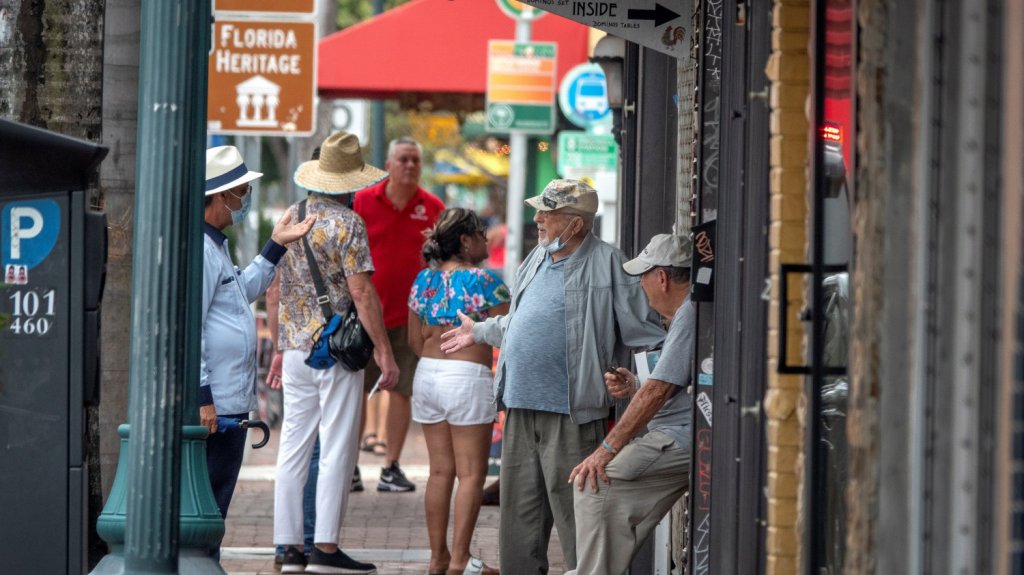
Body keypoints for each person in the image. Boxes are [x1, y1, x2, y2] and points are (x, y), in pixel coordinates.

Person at [440, 179, 665, 573]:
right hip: (520, 406)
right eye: (539, 210)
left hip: (574, 414)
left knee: (581, 520)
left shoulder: (609, 262)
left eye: (548, 213)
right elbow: (520, 323)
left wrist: (637, 383)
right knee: (519, 523)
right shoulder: (538, 257)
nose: (538, 219)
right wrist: (478, 330)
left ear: (576, 224)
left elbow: (649, 334)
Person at [272, 132, 399, 575]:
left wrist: (278, 342)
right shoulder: (349, 224)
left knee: (293, 446)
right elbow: (362, 293)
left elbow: (274, 287)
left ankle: (288, 548)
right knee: (337, 448)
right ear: (348, 182)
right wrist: (384, 352)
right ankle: (325, 546)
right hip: (338, 350)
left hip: (295, 348)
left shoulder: (289, 215)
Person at [200, 145, 315, 558]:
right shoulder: (201, 250)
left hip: (227, 399)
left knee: (216, 501)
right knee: (208, 503)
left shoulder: (217, 246)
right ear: (218, 196)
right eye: (240, 192)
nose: (244, 200)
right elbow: (191, 327)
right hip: (216, 402)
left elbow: (241, 291)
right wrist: (203, 399)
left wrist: (274, 246)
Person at [565, 234, 694, 575]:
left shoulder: (691, 313)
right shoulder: (689, 312)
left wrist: (607, 448)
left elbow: (657, 392)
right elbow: (667, 383)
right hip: (681, 432)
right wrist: (634, 384)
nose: (640, 285)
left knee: (593, 481)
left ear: (662, 278)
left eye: (643, 277)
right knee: (610, 496)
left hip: (682, 436)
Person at [408, 209, 510, 575]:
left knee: (439, 473)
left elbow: (414, 340)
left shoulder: (423, 280)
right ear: (466, 241)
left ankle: (438, 559)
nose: (487, 240)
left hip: (428, 375)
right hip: (467, 376)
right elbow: (513, 330)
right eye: (481, 234)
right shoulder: (486, 281)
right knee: (470, 475)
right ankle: (461, 561)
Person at [354, 136, 446, 492]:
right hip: (364, 317)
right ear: (389, 166)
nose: (409, 166)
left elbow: (442, 261)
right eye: (403, 160)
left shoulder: (433, 207)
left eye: (415, 160)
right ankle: (351, 466)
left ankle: (391, 466)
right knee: (356, 392)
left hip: (411, 318)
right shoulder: (363, 201)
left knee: (402, 391)